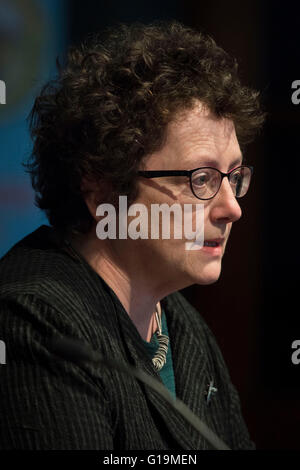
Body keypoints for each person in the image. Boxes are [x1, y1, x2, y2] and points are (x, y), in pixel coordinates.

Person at [0, 20, 265, 450]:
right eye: (200, 178)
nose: (232, 208)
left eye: (234, 176)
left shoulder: (181, 325)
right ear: (103, 190)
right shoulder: (33, 322)